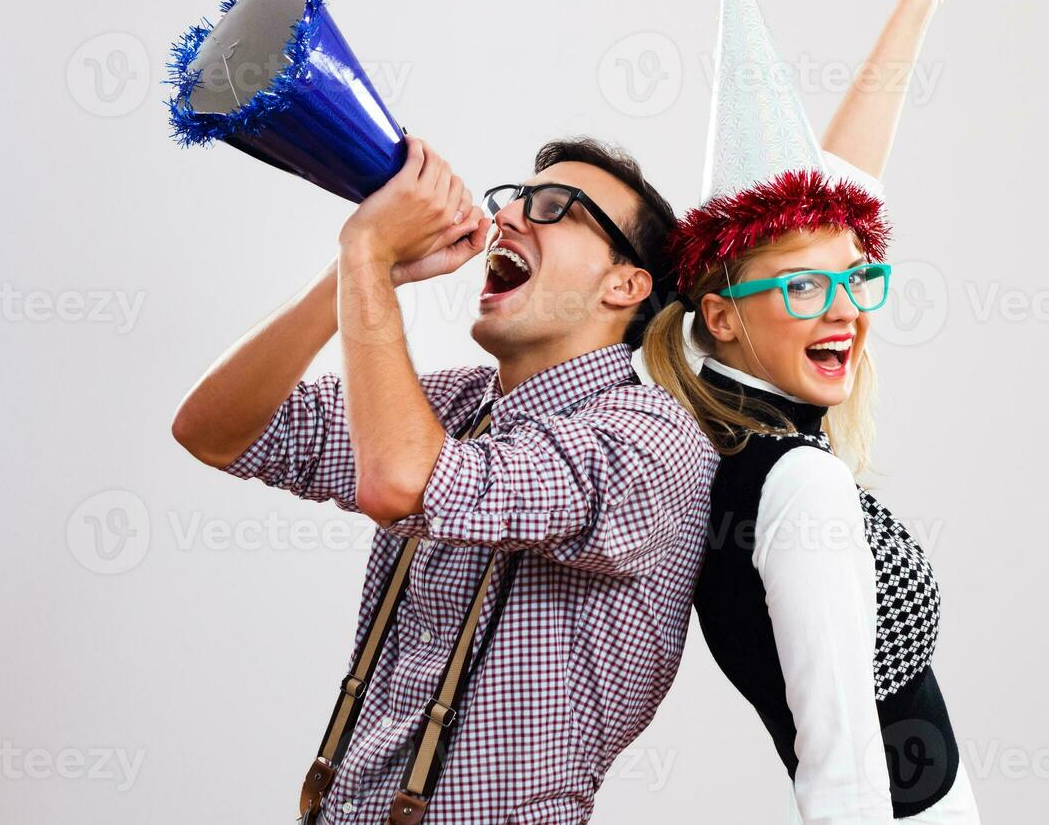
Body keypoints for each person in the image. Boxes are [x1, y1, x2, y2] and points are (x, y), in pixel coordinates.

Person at [171, 135, 717, 823]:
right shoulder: (456, 406)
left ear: (625, 283)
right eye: (513, 199)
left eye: (554, 207)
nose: (510, 215)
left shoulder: (652, 438)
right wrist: (354, 267)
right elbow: (215, 430)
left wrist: (369, 256)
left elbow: (406, 482)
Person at [641, 0, 977, 824]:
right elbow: (838, 766)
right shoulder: (799, 485)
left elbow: (830, 194)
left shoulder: (732, 427)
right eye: (803, 289)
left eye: (855, 279)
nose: (845, 309)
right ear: (725, 315)